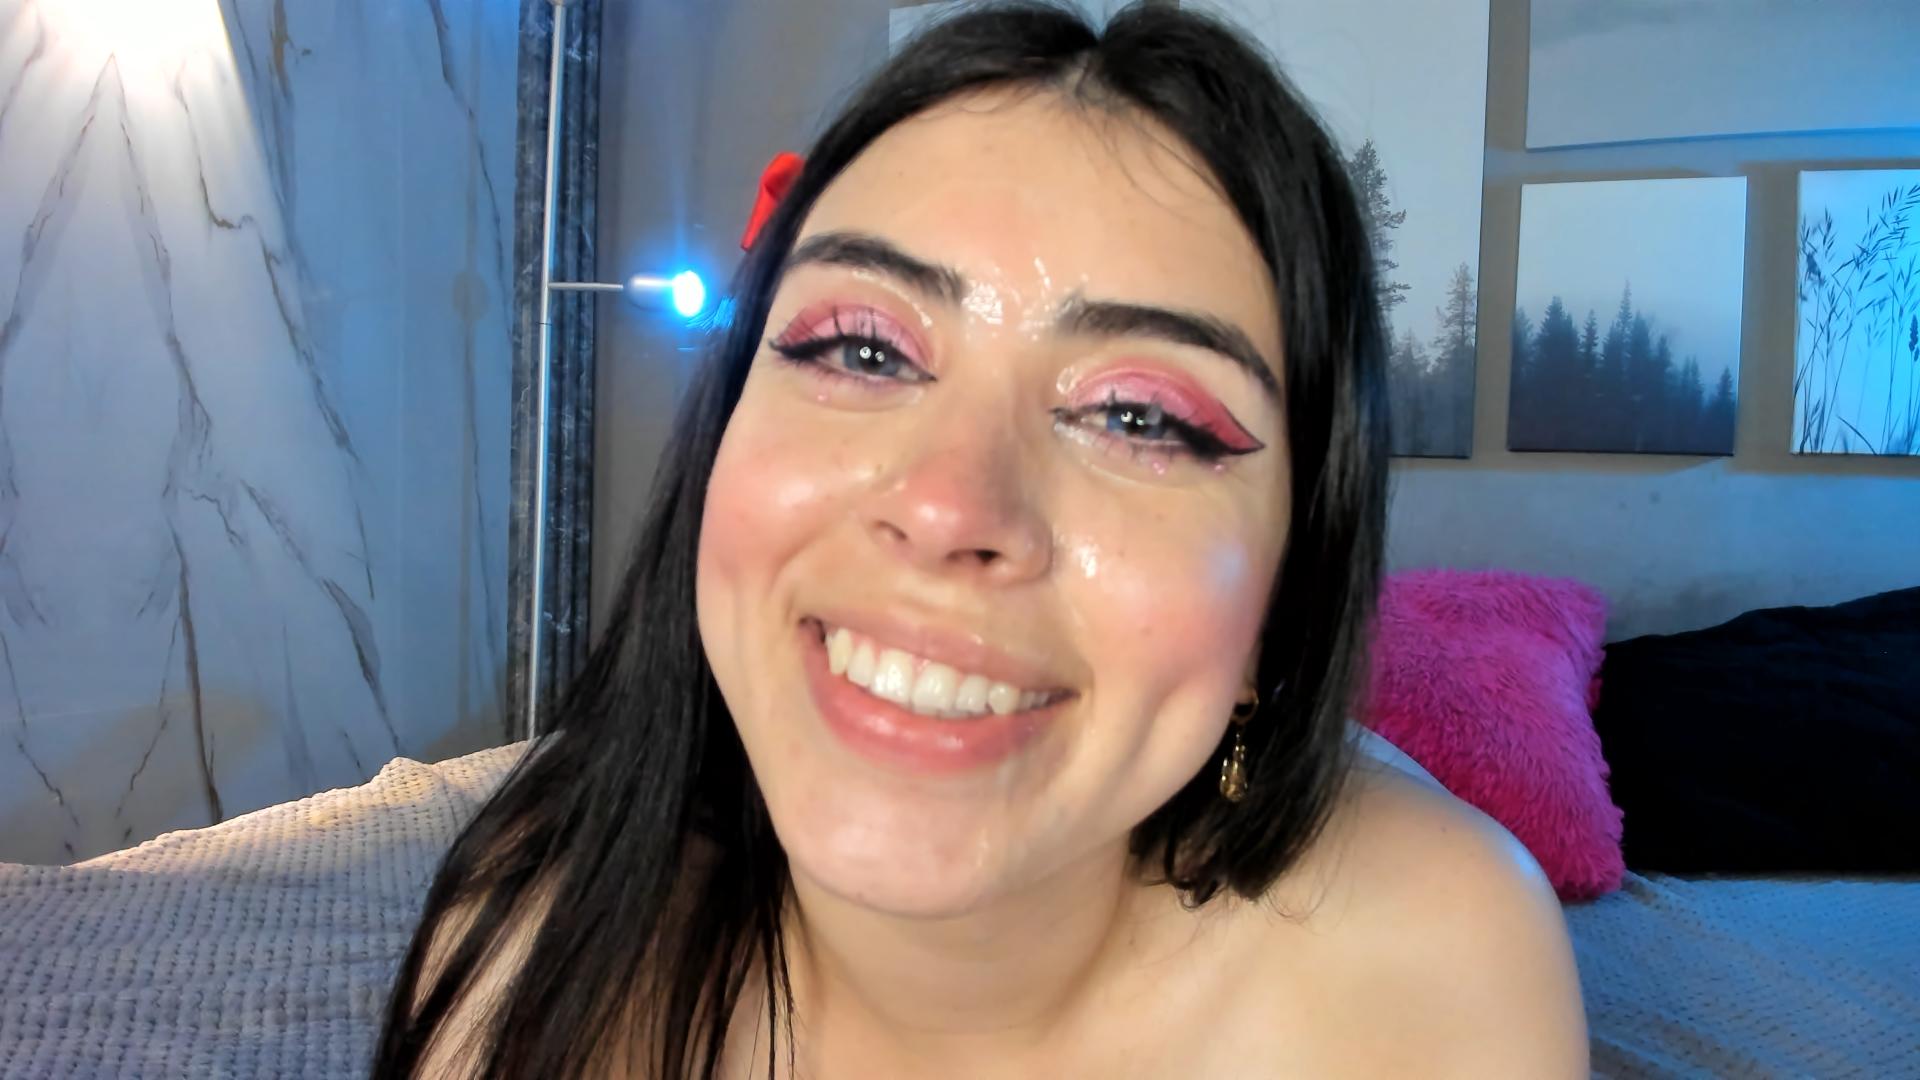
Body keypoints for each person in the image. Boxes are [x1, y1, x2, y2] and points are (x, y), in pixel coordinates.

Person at [374, 3, 1588, 1076]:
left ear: (1285, 598)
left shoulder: (1434, 979)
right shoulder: (531, 955)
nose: (951, 506)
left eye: (1138, 418)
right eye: (862, 350)